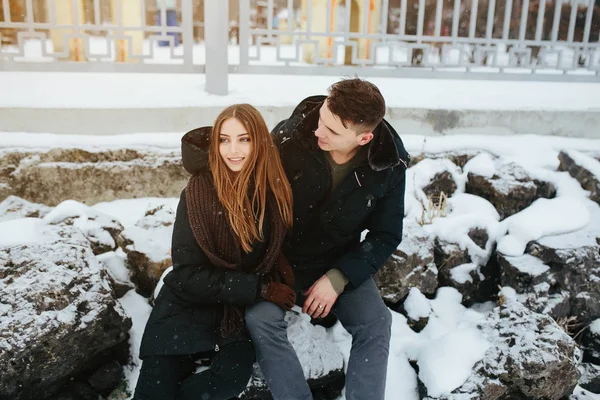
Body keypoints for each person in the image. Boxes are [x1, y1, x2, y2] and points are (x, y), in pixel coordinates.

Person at [244, 78, 410, 400]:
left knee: (376, 323)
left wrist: (339, 278)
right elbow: (253, 203)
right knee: (259, 319)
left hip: (338, 260)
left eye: (332, 131)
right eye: (322, 119)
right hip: (279, 258)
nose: (319, 131)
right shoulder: (288, 137)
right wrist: (269, 263)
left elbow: (386, 234)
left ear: (364, 138)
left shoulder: (389, 164)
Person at [133, 104, 296, 400]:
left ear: (259, 141)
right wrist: (260, 288)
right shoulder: (198, 193)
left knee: (228, 381)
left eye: (244, 139)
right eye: (224, 139)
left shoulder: (274, 191)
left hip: (230, 315)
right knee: (153, 392)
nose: (233, 150)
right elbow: (187, 274)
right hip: (185, 307)